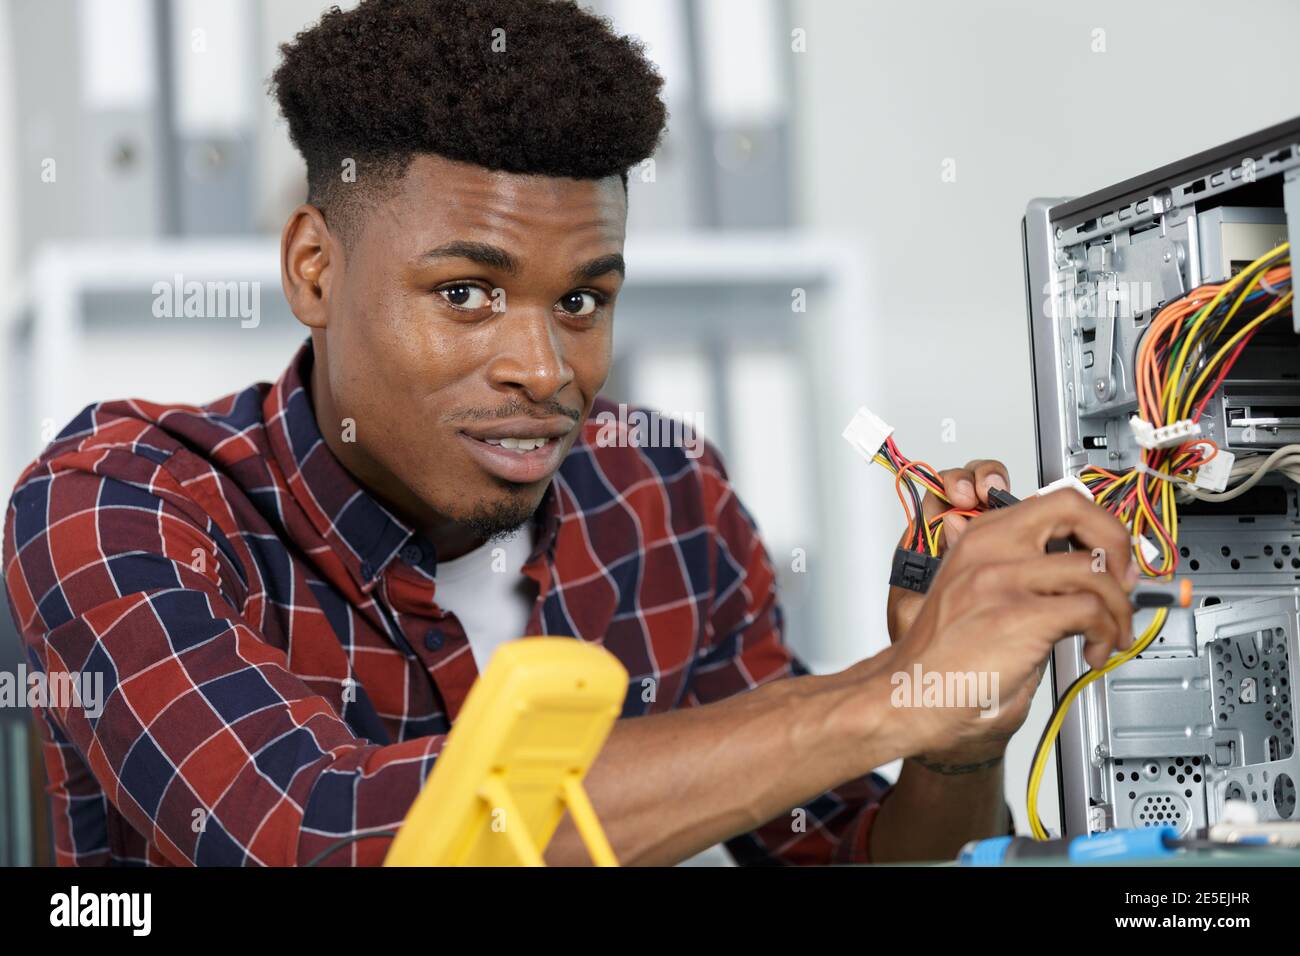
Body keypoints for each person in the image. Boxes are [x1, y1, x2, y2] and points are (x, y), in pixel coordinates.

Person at [2, 0, 1136, 866]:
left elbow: (835, 851)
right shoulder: (121, 501)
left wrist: (956, 727)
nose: (545, 370)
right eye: (464, 294)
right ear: (314, 266)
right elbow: (312, 833)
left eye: (583, 300)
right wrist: (891, 684)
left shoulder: (662, 496)